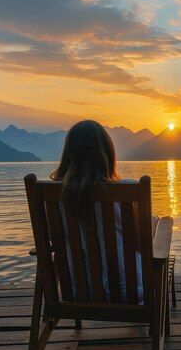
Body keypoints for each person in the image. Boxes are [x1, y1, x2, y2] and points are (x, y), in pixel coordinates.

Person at [50, 120, 155, 303]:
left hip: (77, 293)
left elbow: (55, 242)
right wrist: (153, 224)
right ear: (106, 152)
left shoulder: (53, 196)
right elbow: (141, 245)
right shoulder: (128, 191)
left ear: (68, 154)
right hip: (128, 293)